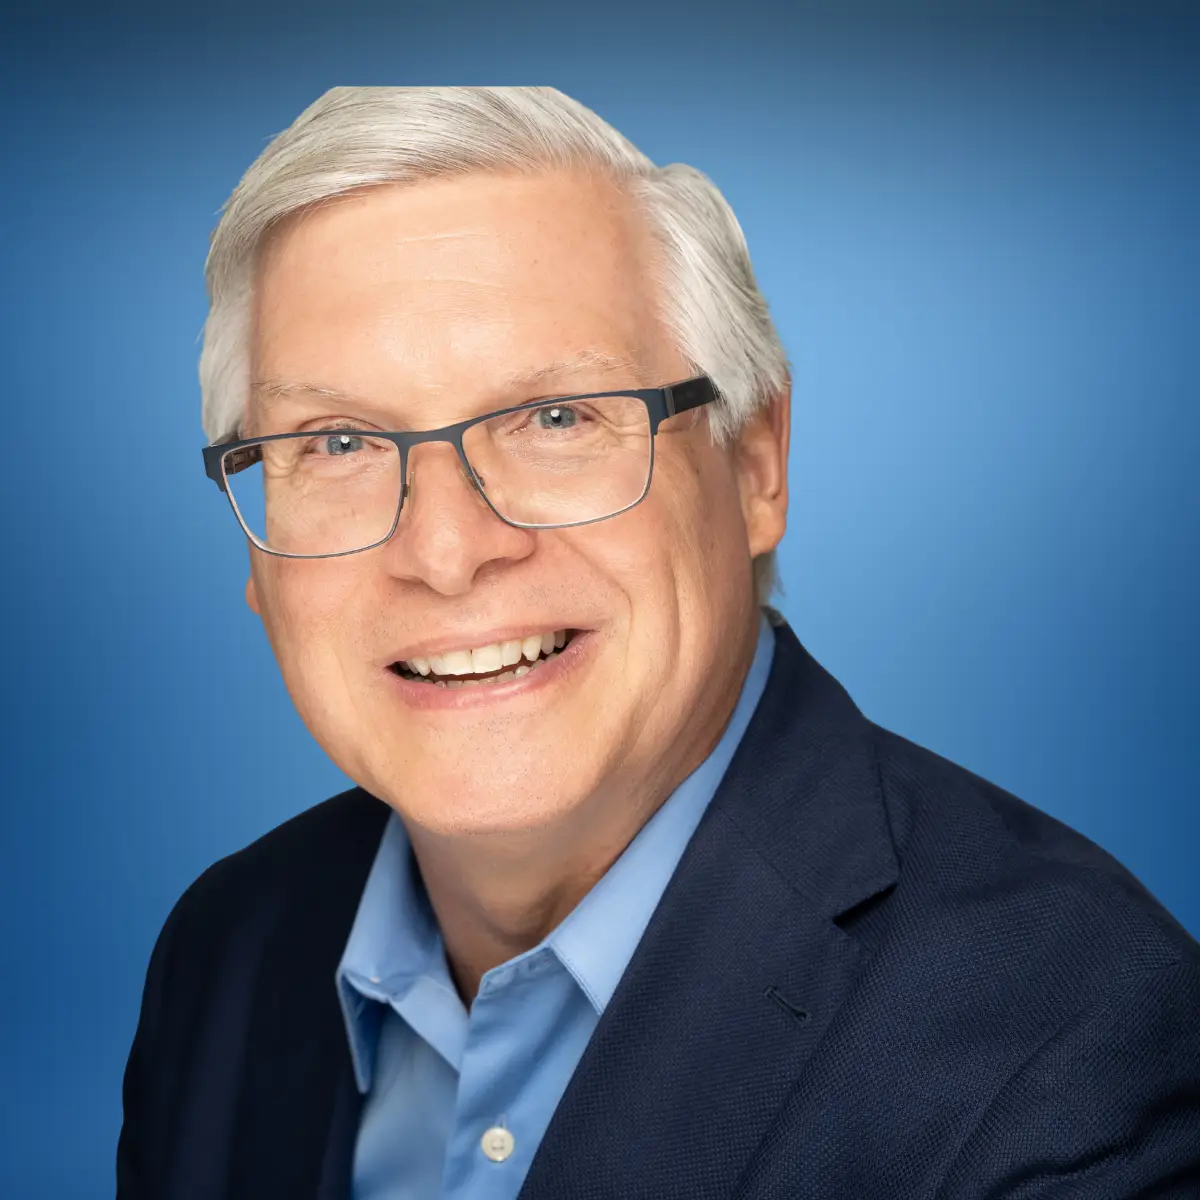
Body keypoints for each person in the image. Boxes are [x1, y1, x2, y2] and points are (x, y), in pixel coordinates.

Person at [117, 86, 1200, 1199]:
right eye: (337, 442)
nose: (445, 552)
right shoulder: (227, 952)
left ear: (755, 462)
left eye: (557, 418)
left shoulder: (1071, 1041)